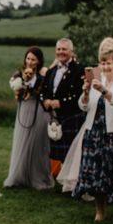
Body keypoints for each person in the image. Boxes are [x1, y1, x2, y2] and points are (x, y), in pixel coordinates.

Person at [72, 38, 113, 224]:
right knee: (97, 173)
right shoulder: (94, 82)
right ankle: (100, 211)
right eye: (102, 63)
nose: (105, 66)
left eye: (108, 63)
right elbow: (84, 107)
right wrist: (85, 93)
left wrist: (105, 91)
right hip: (95, 133)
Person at [4, 47, 53, 189]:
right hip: (24, 109)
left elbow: (45, 91)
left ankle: (38, 177)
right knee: (22, 141)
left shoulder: (43, 75)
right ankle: (19, 176)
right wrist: (19, 87)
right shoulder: (18, 73)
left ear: (38, 61)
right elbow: (15, 89)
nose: (30, 61)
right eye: (28, 58)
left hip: (38, 110)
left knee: (38, 144)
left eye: (33, 59)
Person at [41, 38, 85, 177]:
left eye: (64, 49)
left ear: (71, 52)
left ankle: (73, 180)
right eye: (59, 49)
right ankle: (63, 178)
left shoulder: (79, 70)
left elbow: (80, 94)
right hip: (56, 118)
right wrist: (46, 100)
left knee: (72, 152)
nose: (61, 52)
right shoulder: (51, 71)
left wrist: (61, 103)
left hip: (72, 116)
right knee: (59, 153)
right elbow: (44, 91)